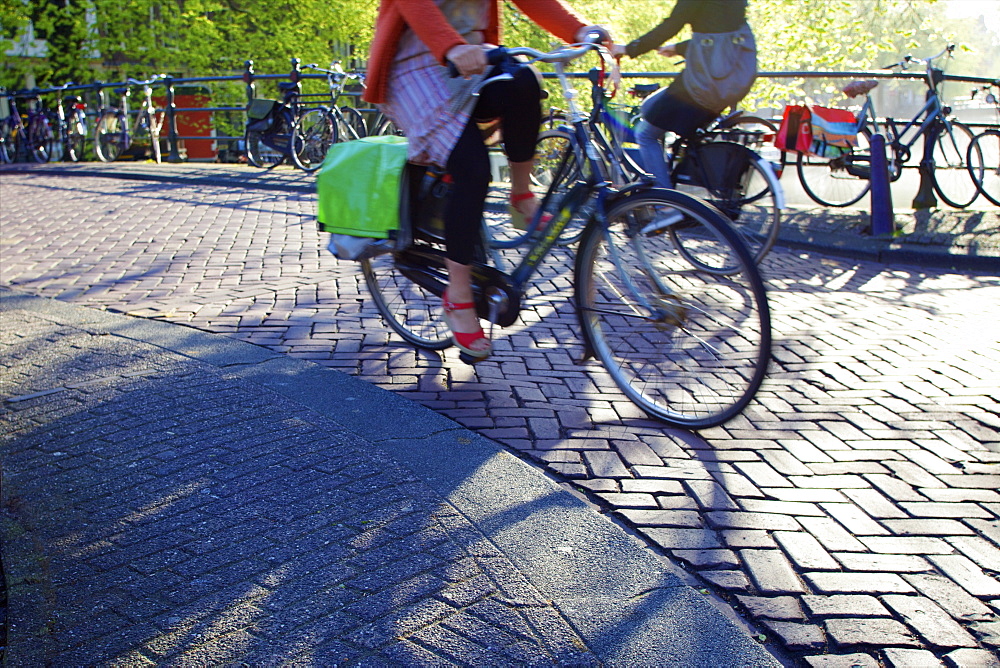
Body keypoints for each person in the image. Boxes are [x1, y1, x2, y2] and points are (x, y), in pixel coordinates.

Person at [363, 0, 608, 359]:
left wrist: (580, 31)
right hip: (415, 67)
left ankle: (521, 196)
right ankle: (458, 295)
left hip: (475, 59)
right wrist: (453, 47)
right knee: (472, 168)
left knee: (524, 80)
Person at [611, 0, 757, 188]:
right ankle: (660, 168)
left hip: (701, 87)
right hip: (728, 85)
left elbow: (672, 25)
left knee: (645, 135)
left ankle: (666, 204)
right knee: (648, 107)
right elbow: (722, 38)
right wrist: (679, 48)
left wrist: (629, 49)